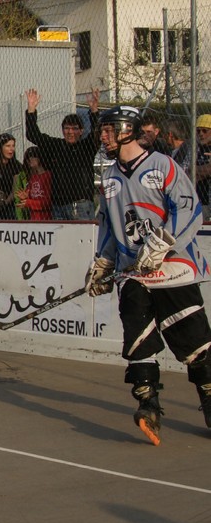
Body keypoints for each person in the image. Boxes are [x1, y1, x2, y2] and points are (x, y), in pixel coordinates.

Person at [85, 105, 211, 445]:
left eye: (109, 129)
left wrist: (162, 243)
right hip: (134, 273)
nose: (103, 136)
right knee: (138, 338)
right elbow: (108, 226)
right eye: (102, 130)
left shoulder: (162, 165)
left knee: (196, 345)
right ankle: (148, 406)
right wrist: (103, 263)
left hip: (174, 269)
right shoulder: (109, 178)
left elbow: (189, 208)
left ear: (127, 130)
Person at [24, 87, 100, 220]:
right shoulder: (56, 146)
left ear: (81, 131)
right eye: (67, 128)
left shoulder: (86, 147)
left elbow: (97, 134)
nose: (70, 132)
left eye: (74, 129)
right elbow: (33, 135)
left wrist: (94, 111)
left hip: (80, 206)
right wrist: (31, 110)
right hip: (57, 207)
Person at [14, 146, 52, 221]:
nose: (30, 159)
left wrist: (29, 202)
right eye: (28, 158)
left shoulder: (47, 176)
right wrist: (25, 197)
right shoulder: (33, 177)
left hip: (46, 218)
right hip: (34, 218)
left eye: (33, 157)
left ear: (40, 158)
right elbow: (31, 197)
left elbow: (47, 202)